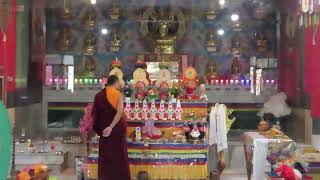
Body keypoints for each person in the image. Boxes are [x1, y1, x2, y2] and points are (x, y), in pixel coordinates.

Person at [92, 75, 131, 180]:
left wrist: (101, 130)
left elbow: (95, 115)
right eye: (118, 84)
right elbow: (119, 113)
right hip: (117, 130)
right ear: (116, 83)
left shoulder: (98, 95)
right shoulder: (118, 94)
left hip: (104, 131)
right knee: (120, 156)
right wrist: (111, 126)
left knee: (106, 157)